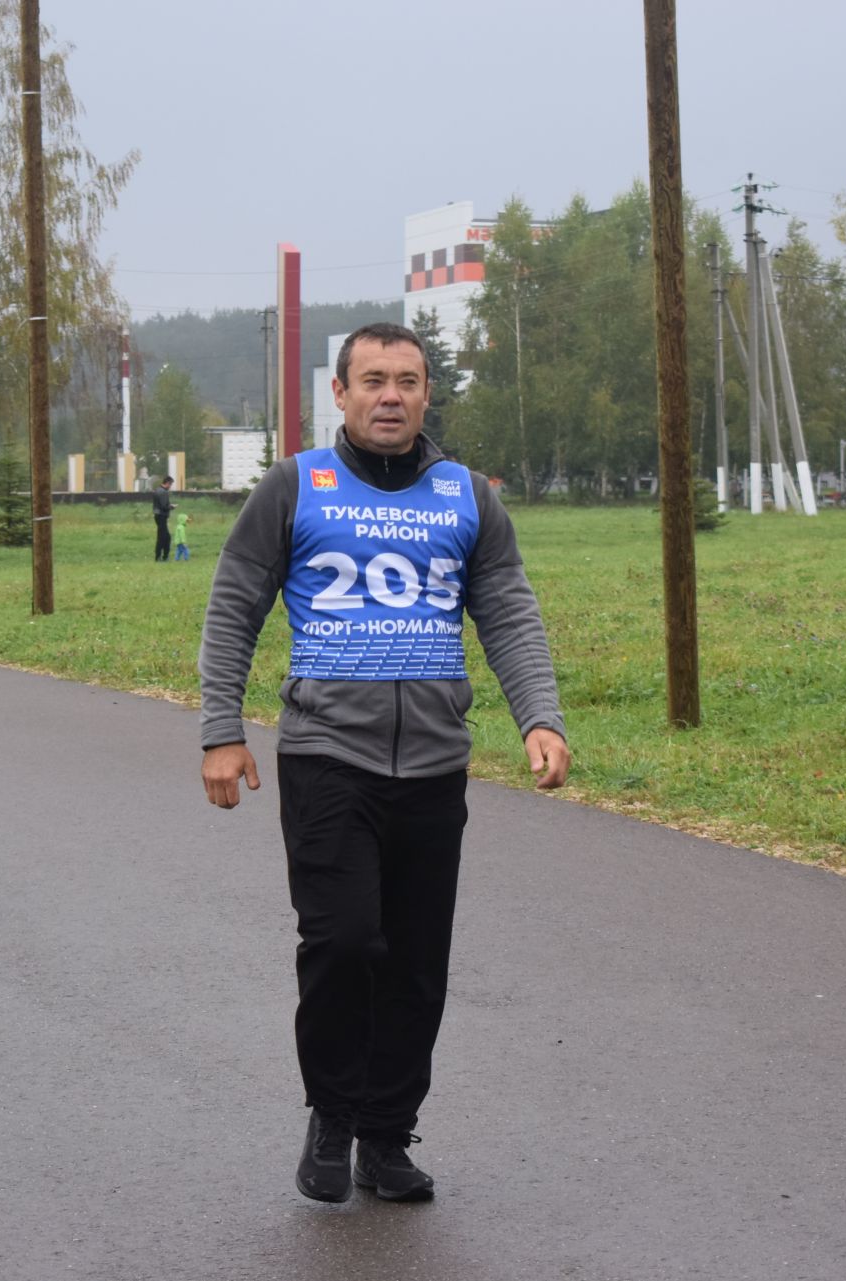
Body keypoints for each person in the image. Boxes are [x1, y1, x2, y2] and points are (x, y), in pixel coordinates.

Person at [197, 322, 570, 1204]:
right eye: (373, 380)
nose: (391, 395)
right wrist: (221, 728)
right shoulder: (296, 486)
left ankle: (386, 1135)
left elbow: (509, 612)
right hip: (328, 754)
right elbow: (233, 604)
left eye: (407, 379)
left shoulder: (466, 495)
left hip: (436, 766)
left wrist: (539, 717)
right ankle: (331, 1111)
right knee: (342, 938)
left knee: (414, 960)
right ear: (342, 392)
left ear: (427, 393)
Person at [151, 475, 175, 562]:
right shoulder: (163, 492)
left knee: (165, 536)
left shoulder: (157, 490)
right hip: (161, 516)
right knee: (163, 537)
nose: (170, 487)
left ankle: (164, 556)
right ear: (167, 483)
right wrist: (171, 506)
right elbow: (164, 506)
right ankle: (159, 557)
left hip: (157, 515)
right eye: (170, 485)